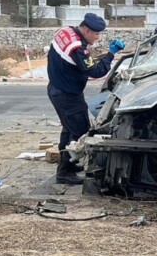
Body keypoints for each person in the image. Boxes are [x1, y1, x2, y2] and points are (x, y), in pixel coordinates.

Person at [47, 12, 124, 185]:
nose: (97, 37)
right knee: (80, 131)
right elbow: (96, 72)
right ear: (87, 30)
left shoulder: (65, 32)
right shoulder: (78, 49)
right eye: (96, 34)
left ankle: (70, 165)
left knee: (68, 129)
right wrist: (111, 54)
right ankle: (65, 173)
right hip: (68, 95)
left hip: (56, 88)